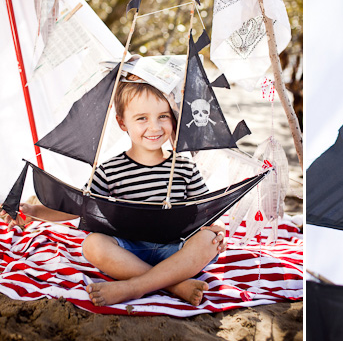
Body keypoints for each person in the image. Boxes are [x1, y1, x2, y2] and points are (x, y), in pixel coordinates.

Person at [2, 77, 225, 306]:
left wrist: (215, 228)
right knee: (93, 244)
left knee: (208, 240)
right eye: (142, 119)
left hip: (176, 251)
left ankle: (135, 286)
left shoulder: (184, 167)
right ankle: (174, 284)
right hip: (128, 252)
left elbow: (205, 211)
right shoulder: (110, 171)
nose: (155, 127)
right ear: (122, 123)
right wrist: (32, 211)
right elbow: (79, 209)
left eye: (163, 116)